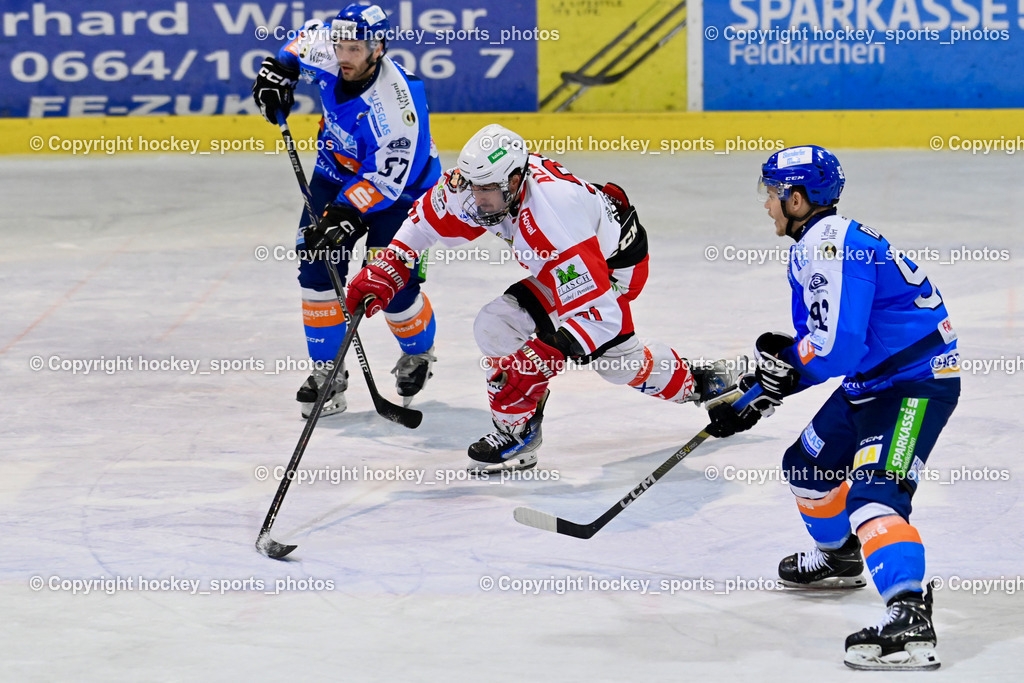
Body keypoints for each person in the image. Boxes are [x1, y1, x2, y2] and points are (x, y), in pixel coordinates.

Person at [342, 123, 746, 472]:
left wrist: (540, 360)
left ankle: (701, 380)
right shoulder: (477, 184)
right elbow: (426, 217)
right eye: (473, 187)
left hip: (611, 267)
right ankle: (517, 433)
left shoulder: (552, 220)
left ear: (516, 182)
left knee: (614, 363)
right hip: (564, 264)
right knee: (496, 325)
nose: (477, 200)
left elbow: (599, 315)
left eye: (488, 191)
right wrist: (390, 265)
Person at [713, 145, 960, 670]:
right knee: (806, 467)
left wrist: (779, 372)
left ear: (798, 200)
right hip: (877, 376)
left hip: (914, 385)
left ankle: (910, 616)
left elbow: (835, 351)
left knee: (874, 496)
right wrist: (757, 395)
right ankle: (842, 556)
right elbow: (825, 346)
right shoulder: (821, 241)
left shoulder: (827, 249)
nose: (768, 205)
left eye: (774, 195)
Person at [252, 3, 441, 417]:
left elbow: (387, 181)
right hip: (335, 173)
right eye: (341, 45)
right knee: (317, 266)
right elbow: (299, 46)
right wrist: (277, 71)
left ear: (378, 48)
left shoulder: (397, 107)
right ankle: (327, 373)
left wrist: (345, 213)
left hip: (402, 192)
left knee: (390, 284)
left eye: (355, 48)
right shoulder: (329, 46)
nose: (344, 56)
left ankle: (418, 353)